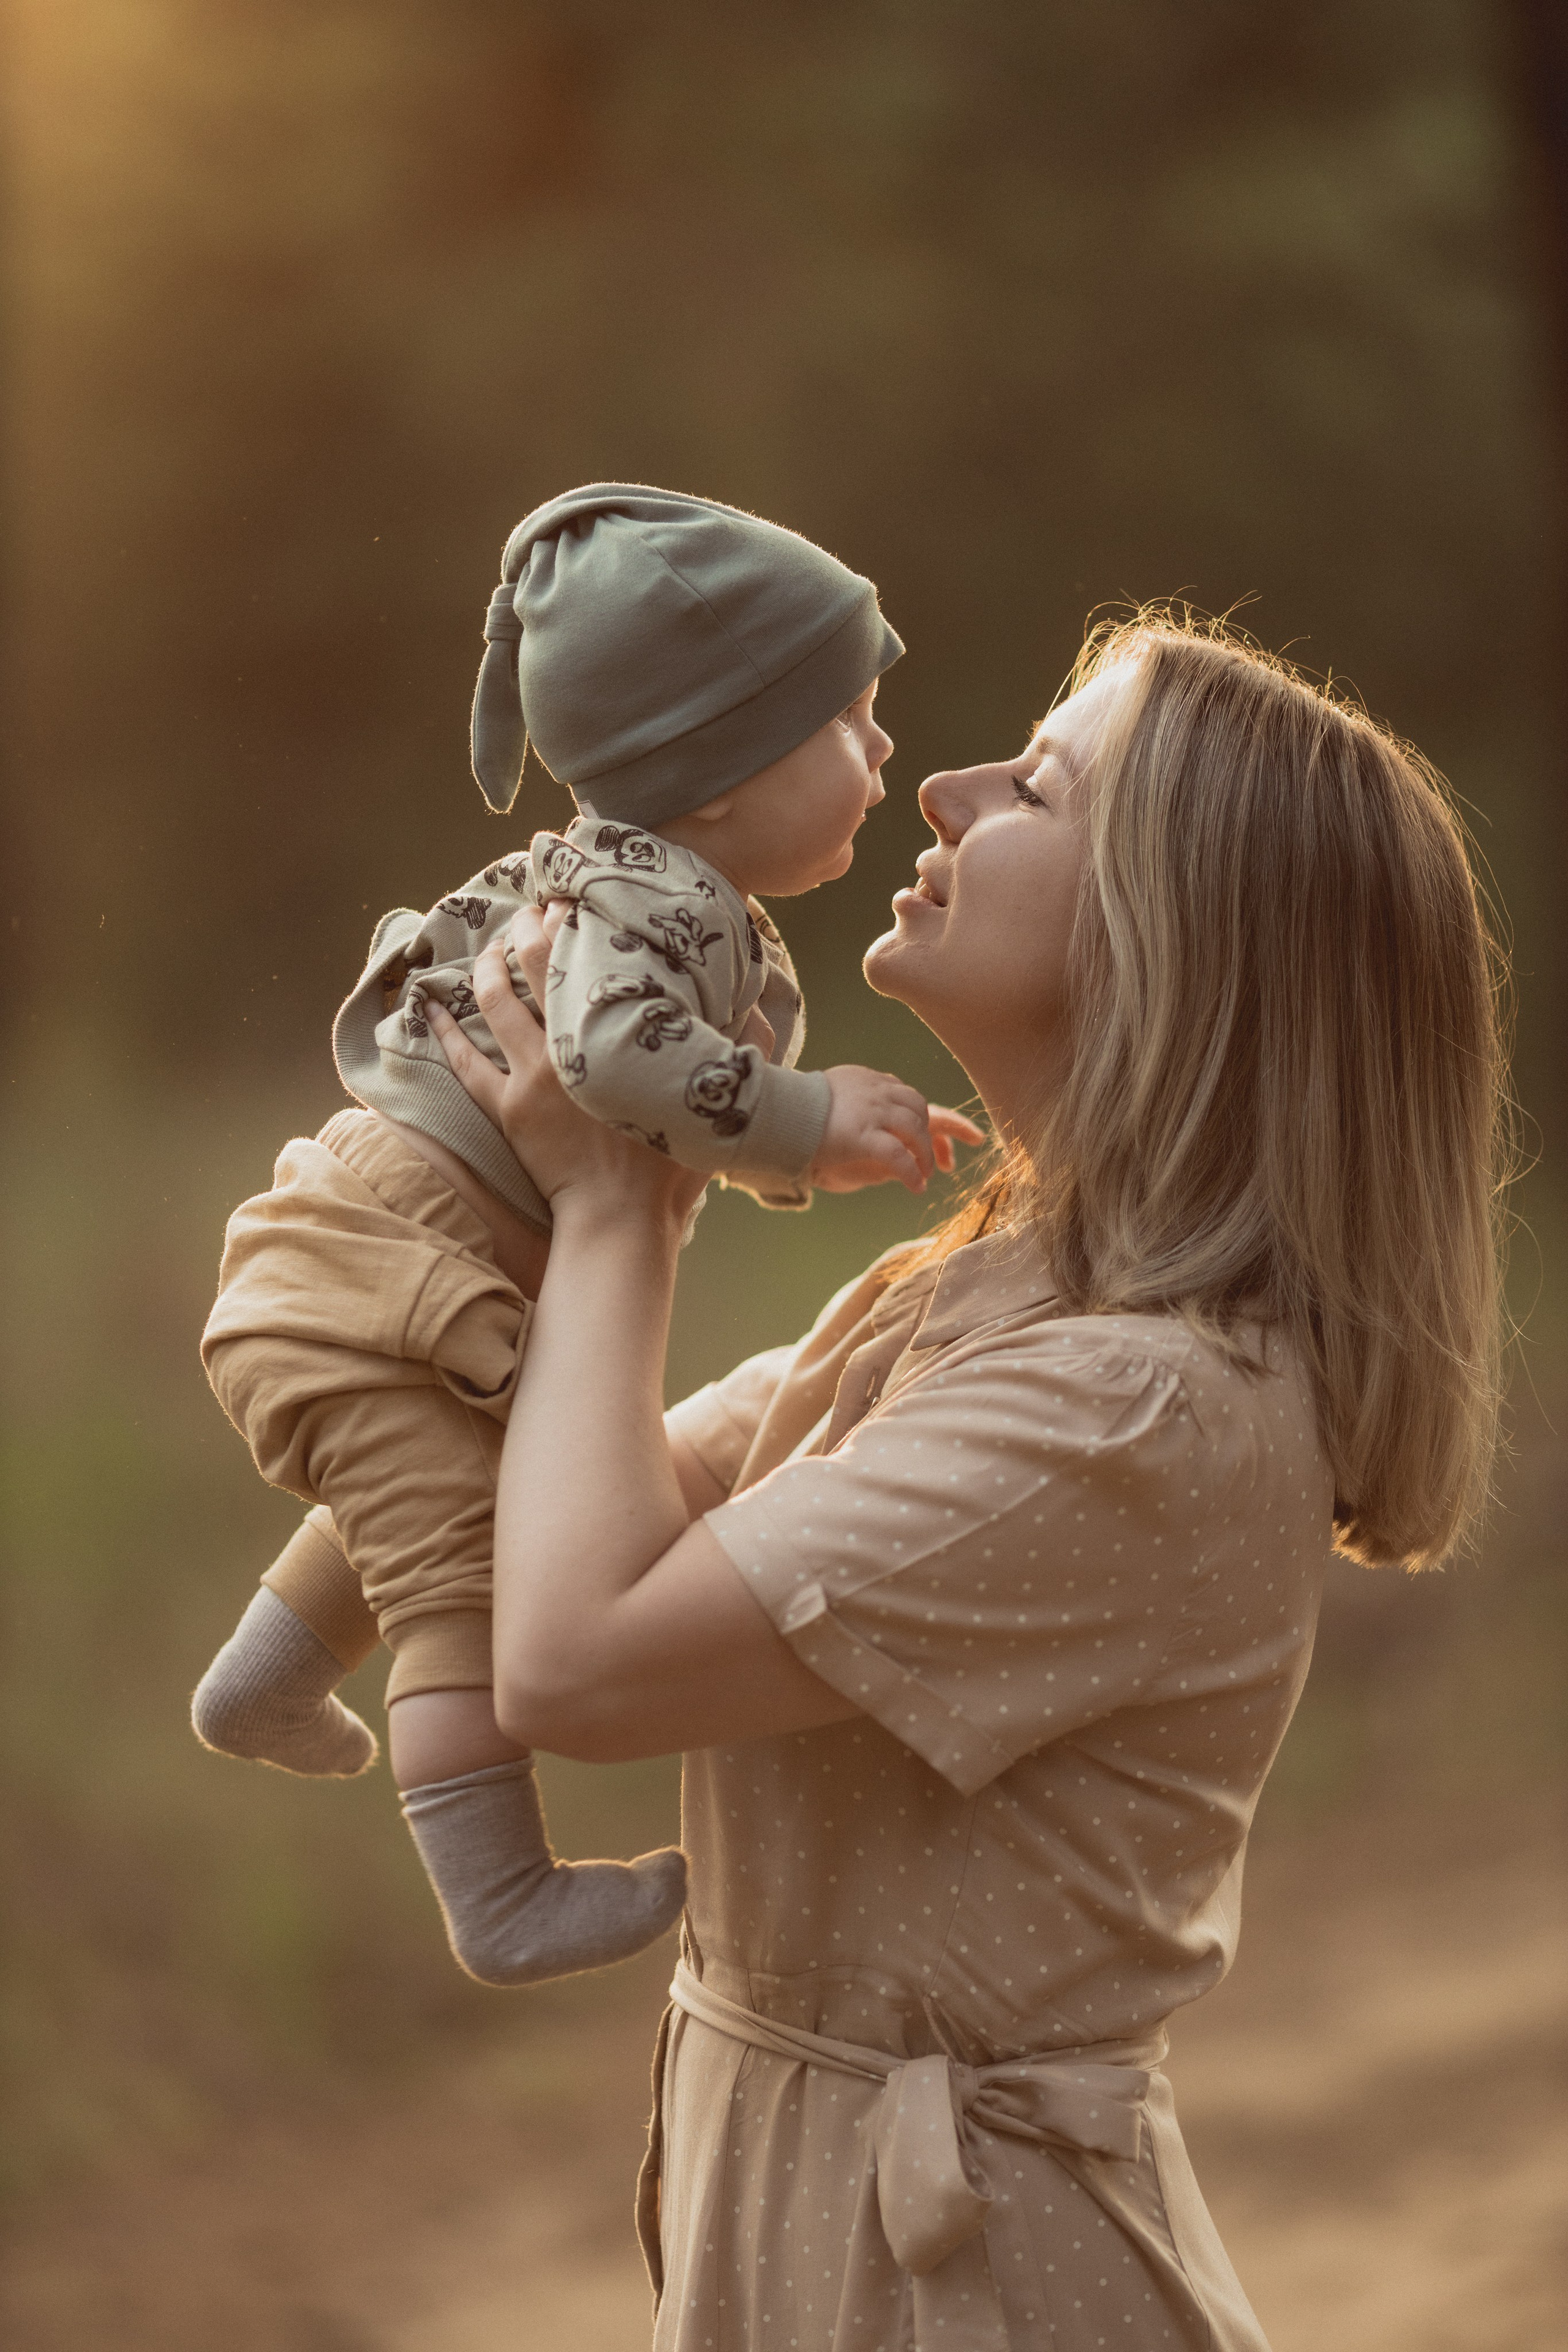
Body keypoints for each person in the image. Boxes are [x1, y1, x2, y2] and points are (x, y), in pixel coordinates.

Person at [424, 610, 1507, 2350]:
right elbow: (543, 1519)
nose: (938, 788)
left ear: (1178, 937)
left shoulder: (1135, 1409)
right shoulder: (981, 1297)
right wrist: (451, 1186)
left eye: (1037, 784)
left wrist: (618, 1209)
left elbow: (572, 1660)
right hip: (825, 2243)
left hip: (977, 2292)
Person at [190, 484, 977, 1991]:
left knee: (442, 1493)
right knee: (465, 1584)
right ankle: (498, 1894)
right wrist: (804, 1118)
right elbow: (615, 1066)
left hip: (390, 1264)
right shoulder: (645, 896)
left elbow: (651, 1110)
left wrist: (772, 1146)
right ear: (723, 768)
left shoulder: (664, 887)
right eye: (850, 723)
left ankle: (260, 1682)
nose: (884, 757)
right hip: (387, 1271)